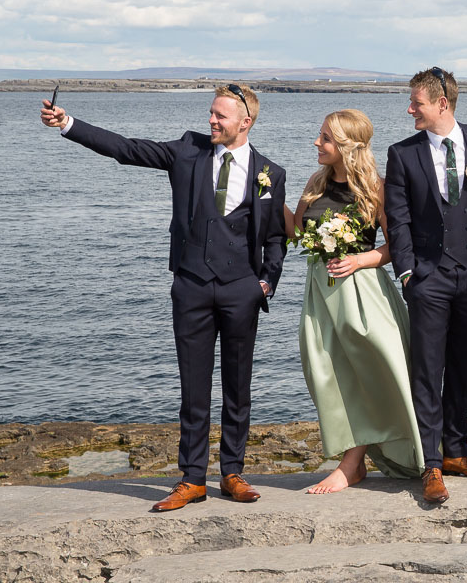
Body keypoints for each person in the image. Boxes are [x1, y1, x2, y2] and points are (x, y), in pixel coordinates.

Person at [39, 84, 287, 512]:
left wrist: (265, 283)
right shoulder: (186, 151)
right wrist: (69, 125)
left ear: (245, 123)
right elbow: (126, 149)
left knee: (237, 386)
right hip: (191, 286)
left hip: (240, 290)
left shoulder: (271, 173)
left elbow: (276, 237)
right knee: (193, 388)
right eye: (211, 112)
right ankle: (192, 479)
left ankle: (232, 472)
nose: (211, 120)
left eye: (220, 116)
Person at [285, 109, 424, 493]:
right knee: (325, 373)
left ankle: (351, 464)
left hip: (363, 293)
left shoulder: (378, 187)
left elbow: (397, 245)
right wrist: (265, 193)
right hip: (320, 292)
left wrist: (359, 259)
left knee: (370, 373)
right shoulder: (315, 181)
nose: (317, 143)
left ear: (347, 146)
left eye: (325, 138)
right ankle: (353, 460)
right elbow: (296, 232)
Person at [384, 67, 467, 505]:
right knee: (427, 371)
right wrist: (409, 274)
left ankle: (457, 452)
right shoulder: (403, 153)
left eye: (416, 102)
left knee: (463, 365)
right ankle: (431, 465)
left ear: (442, 104)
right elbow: (397, 219)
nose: (410, 109)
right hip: (428, 278)